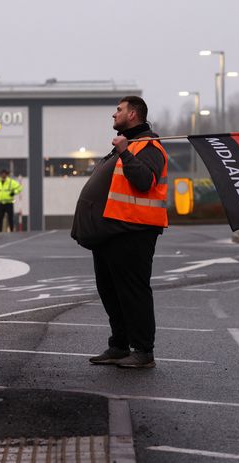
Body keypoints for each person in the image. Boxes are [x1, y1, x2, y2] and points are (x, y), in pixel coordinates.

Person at [71, 96, 168, 369]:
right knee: (110, 291)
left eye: (119, 110)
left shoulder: (147, 146)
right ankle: (119, 345)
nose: (114, 115)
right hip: (113, 232)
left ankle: (143, 351)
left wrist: (125, 152)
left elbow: (144, 181)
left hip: (133, 232)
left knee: (132, 292)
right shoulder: (128, 146)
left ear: (133, 114)